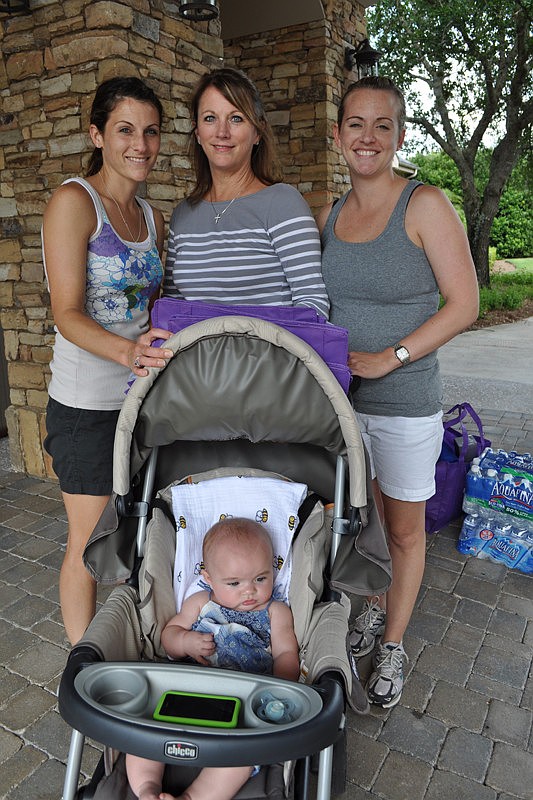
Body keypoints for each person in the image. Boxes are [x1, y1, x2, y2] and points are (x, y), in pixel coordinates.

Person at [317, 76, 479, 708]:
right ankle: (373, 605)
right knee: (370, 523)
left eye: (382, 125)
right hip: (343, 404)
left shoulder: (424, 204)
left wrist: (393, 356)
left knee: (407, 531)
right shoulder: (329, 213)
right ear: (338, 134)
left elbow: (463, 304)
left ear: (399, 135)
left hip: (407, 401)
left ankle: (393, 643)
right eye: (356, 123)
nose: (368, 137)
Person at [42, 77, 173, 646]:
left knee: (137, 532)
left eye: (149, 131)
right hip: (87, 406)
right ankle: (82, 666)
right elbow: (65, 313)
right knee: (89, 541)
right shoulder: (75, 202)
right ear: (97, 135)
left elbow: (155, 309)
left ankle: (133, 642)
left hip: (142, 401)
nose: (139, 144)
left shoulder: (151, 217)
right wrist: (128, 351)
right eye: (124, 129)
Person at [126, 517, 300, 800]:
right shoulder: (200, 602)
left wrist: (280, 689)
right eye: (234, 582)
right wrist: (186, 641)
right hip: (186, 692)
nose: (249, 591)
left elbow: (286, 653)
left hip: (243, 705)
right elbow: (168, 637)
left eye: (261, 578)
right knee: (144, 730)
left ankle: (192, 798)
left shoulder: (275, 611)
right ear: (208, 578)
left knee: (242, 757)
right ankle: (147, 789)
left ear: (273, 570)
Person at [163, 67, 329, 318]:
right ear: (197, 133)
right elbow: (173, 309)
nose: (222, 132)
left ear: (257, 133)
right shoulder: (182, 216)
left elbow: (313, 304)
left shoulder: (283, 204)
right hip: (197, 358)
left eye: (236, 118)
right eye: (210, 118)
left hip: (271, 356)